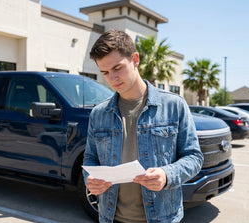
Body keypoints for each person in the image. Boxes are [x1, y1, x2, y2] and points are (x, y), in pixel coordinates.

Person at [83, 30, 204, 223]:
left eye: (117, 68)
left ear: (135, 59)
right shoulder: (98, 113)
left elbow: (194, 158)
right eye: (105, 72)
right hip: (110, 217)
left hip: (162, 218)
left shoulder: (174, 105)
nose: (112, 78)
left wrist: (166, 174)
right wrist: (90, 179)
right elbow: (90, 158)